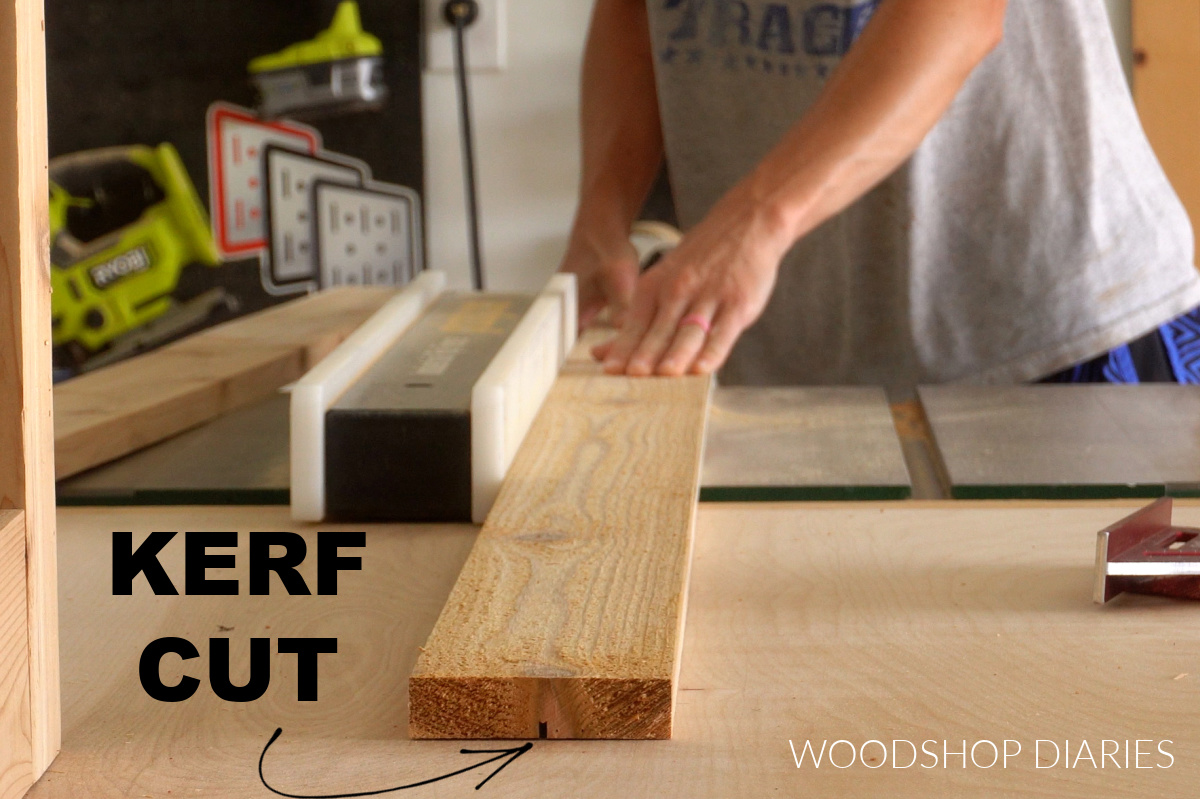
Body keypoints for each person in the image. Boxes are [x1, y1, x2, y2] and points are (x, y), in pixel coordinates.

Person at [559, 0, 1200, 394]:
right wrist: (600, 219)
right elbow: (633, 10)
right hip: (789, 339)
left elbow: (958, 13)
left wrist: (755, 222)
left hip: (1054, 324)